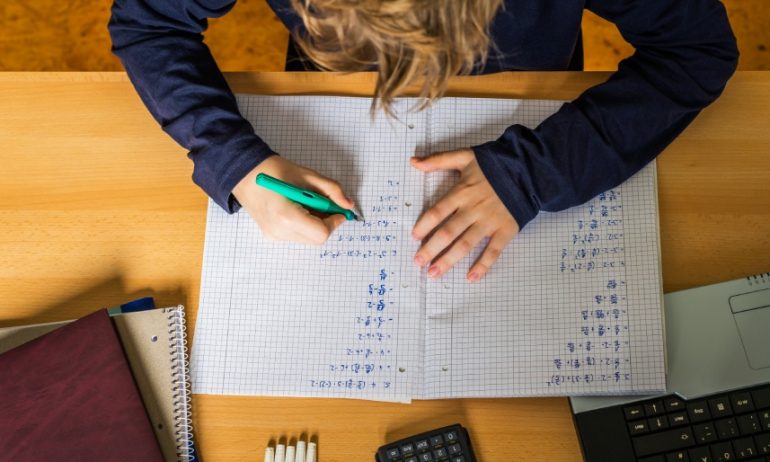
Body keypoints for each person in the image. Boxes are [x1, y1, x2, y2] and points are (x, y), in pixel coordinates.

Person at [108, 0, 738, 281]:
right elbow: (149, 23)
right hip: (329, 96)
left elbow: (697, 49)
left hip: (528, 85)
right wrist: (237, 163)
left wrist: (537, 171)